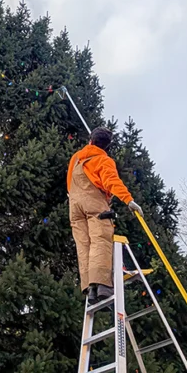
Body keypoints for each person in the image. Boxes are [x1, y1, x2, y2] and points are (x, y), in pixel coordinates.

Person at [67, 127, 142, 305]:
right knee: (100, 239)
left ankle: (89, 288)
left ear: (90, 140)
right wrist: (129, 200)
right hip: (94, 203)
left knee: (83, 245)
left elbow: (69, 183)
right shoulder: (103, 160)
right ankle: (102, 286)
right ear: (107, 146)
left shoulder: (76, 158)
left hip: (74, 207)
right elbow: (111, 181)